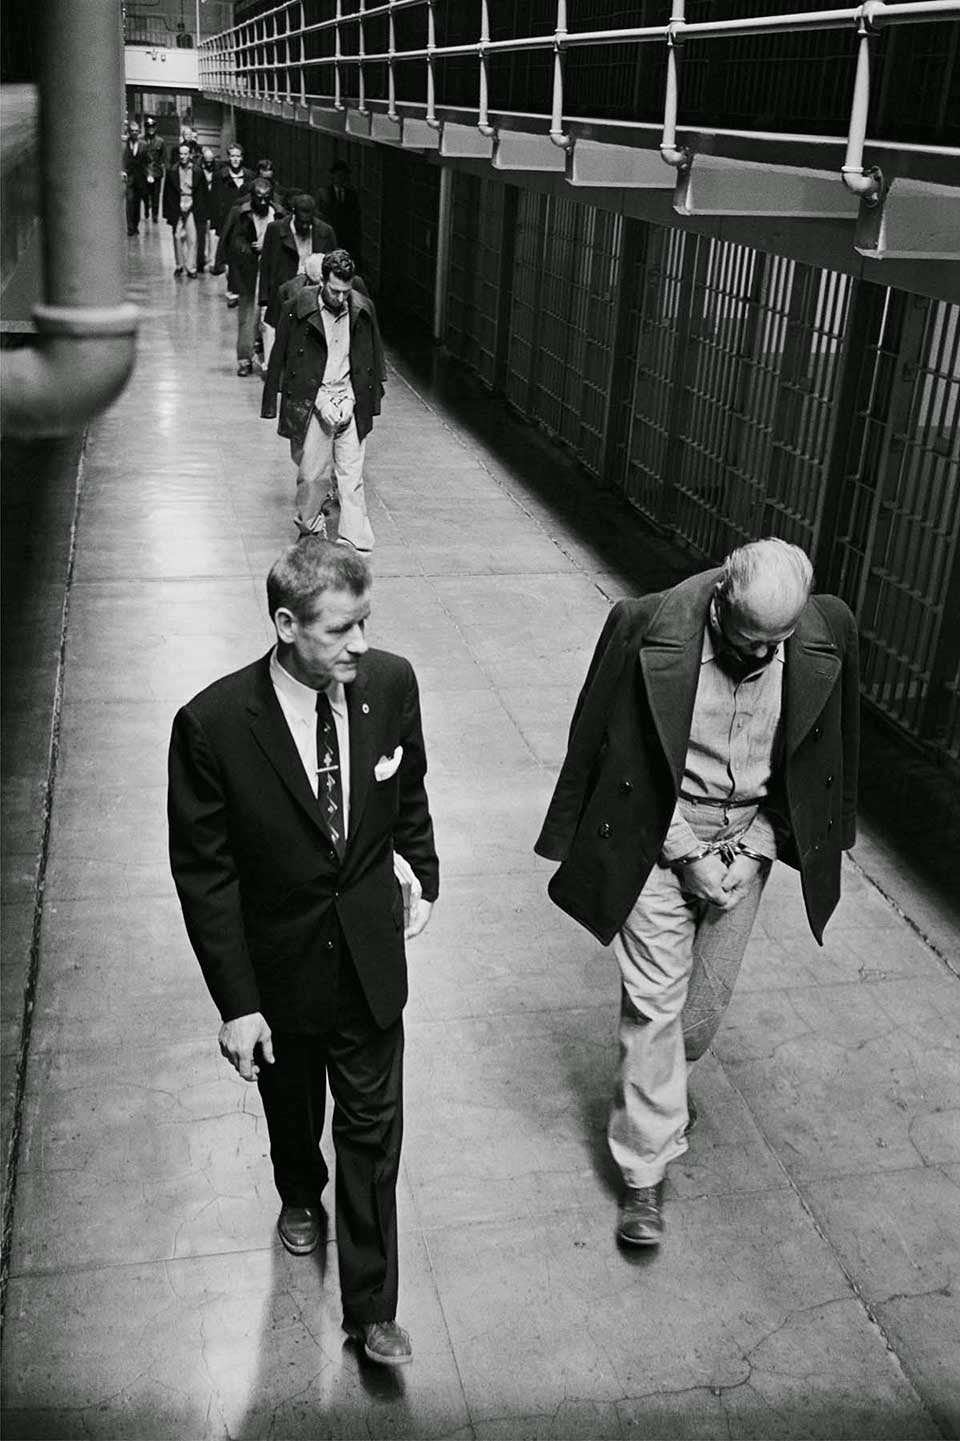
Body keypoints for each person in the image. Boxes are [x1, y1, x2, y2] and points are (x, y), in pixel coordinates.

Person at [535, 539, 859, 1246]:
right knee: (654, 1005)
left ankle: (659, 1087)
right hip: (659, 832)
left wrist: (760, 848)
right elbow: (611, 753)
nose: (768, 654)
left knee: (699, 1016)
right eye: (751, 640)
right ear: (721, 601)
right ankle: (644, 1176)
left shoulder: (820, 633)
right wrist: (685, 855)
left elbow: (817, 758)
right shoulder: (648, 626)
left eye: (781, 640)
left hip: (747, 839)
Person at [168, 537, 438, 1368]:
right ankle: (296, 1190)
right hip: (278, 973)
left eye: (366, 622)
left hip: (367, 962)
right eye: (340, 629)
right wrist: (237, 1002)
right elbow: (205, 875)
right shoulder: (213, 724)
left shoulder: (389, 682)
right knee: (296, 1116)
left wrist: (420, 876)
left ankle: (371, 1309)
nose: (361, 643)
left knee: (371, 1132)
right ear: (285, 624)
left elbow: (409, 787)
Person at [262, 249, 384, 552]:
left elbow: (370, 359)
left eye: (346, 291)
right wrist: (320, 402)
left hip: (349, 397)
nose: (341, 298)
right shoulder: (298, 308)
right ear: (321, 282)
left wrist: (353, 399)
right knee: (312, 475)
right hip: (315, 397)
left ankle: (355, 536)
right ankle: (310, 529)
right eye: (334, 290)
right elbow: (290, 364)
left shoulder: (362, 308)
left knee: (351, 474)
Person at [258, 194, 337, 369]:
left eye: (308, 223)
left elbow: (334, 264)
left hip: (314, 290)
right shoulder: (275, 230)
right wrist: (264, 299)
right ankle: (276, 371)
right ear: (293, 214)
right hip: (283, 290)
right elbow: (266, 265)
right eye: (301, 222)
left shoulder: (325, 232)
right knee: (279, 332)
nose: (304, 226)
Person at [226, 176, 276, 375]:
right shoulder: (242, 214)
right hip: (249, 271)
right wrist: (250, 249)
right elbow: (234, 241)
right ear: (252, 197)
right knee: (247, 316)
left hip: (271, 271)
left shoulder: (278, 214)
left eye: (266, 198)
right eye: (259, 198)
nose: (263, 202)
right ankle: (244, 360)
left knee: (269, 317)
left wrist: (268, 247)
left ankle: (267, 357)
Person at [212, 143, 253, 304]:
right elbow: (214, 200)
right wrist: (216, 224)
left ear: (242, 158)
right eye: (232, 156)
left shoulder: (250, 176)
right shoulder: (219, 176)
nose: (235, 159)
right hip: (226, 221)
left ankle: (242, 289)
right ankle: (232, 291)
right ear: (228, 157)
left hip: (244, 221)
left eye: (238, 156)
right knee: (230, 257)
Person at [162, 140, 204, 278]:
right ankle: (179, 265)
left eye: (186, 154)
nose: (183, 157)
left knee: (193, 237)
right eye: (181, 154)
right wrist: (168, 212)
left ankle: (191, 268)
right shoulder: (172, 171)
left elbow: (202, 193)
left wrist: (200, 209)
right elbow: (167, 193)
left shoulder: (197, 171)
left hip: (192, 203)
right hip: (177, 203)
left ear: (190, 155)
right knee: (177, 236)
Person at [318, 159, 363, 263]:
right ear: (332, 176)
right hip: (329, 235)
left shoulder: (352, 194)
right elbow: (320, 215)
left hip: (347, 238)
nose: (341, 178)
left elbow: (356, 218)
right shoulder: (323, 193)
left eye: (344, 175)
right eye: (338, 175)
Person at [121, 121, 149, 236]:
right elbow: (122, 158)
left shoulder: (143, 145)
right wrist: (123, 170)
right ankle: (130, 227)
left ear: (139, 132)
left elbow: (147, 161)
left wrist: (149, 174)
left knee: (137, 203)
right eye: (132, 131)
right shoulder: (124, 144)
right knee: (130, 201)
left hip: (140, 178)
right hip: (129, 178)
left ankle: (136, 225)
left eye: (136, 131)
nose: (134, 133)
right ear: (129, 132)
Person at [195, 146, 219, 273]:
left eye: (211, 161)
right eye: (207, 161)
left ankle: (211, 260)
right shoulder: (198, 170)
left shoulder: (217, 171)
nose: (209, 163)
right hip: (202, 205)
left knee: (212, 234)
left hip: (213, 206)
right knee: (201, 235)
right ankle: (201, 259)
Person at [142, 118, 167, 223]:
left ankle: (155, 214)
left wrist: (159, 165)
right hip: (144, 171)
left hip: (156, 171)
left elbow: (163, 156)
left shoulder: (160, 141)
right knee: (145, 193)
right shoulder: (141, 140)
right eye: (149, 127)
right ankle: (147, 209)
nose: (151, 129)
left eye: (152, 127)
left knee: (156, 194)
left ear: (155, 128)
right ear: (146, 128)